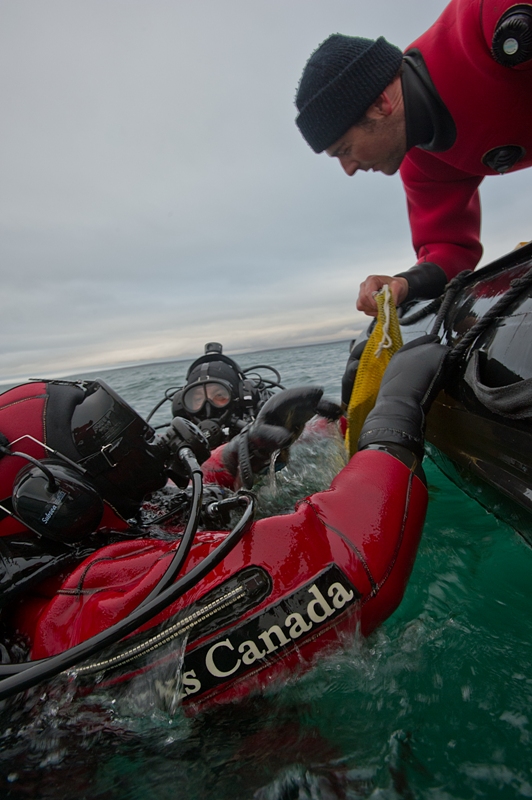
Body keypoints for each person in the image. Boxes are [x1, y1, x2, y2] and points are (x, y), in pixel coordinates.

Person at [295, 0, 532, 316]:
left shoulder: (482, 23)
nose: (348, 169)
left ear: (381, 104)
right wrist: (404, 284)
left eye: (344, 150)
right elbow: (449, 250)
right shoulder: (423, 164)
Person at [151, 342, 282, 449]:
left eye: (219, 395)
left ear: (239, 395)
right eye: (197, 399)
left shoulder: (261, 420)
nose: (208, 407)